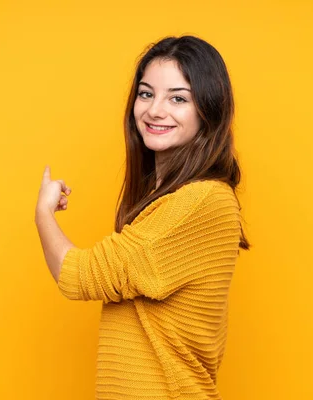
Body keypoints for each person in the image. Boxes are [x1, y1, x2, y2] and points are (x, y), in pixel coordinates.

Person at [35, 35, 250, 400]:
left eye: (178, 98)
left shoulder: (199, 201)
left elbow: (79, 276)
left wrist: (43, 214)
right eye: (147, 93)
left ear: (208, 112)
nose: (154, 110)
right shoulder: (170, 199)